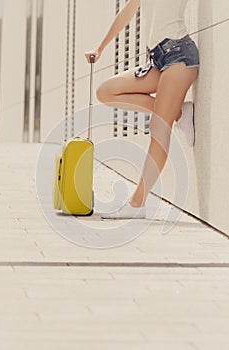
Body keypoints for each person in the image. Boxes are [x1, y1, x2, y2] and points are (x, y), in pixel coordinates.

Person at [85, 0, 200, 219]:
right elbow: (128, 10)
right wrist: (99, 48)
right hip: (157, 60)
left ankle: (137, 203)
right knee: (106, 91)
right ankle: (177, 112)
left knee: (158, 129)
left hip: (180, 56)